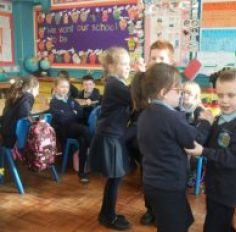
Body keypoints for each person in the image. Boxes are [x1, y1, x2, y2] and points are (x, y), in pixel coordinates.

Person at [135, 63, 209, 232]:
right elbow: (194, 140)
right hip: (168, 184)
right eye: (178, 90)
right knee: (175, 226)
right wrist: (206, 122)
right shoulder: (171, 117)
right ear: (162, 92)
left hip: (154, 182)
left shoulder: (146, 113)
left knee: (178, 221)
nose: (181, 94)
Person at [185, 69, 236, 232]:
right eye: (220, 95)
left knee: (214, 226)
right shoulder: (220, 119)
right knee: (221, 224)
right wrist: (206, 123)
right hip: (215, 185)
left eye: (230, 95)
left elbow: (234, 158)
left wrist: (203, 152)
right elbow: (208, 143)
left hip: (228, 189)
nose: (224, 101)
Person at [130, 40, 176, 225]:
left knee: (168, 177)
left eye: (161, 58)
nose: (157, 61)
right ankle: (150, 209)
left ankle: (165, 211)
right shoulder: (143, 80)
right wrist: (139, 76)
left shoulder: (175, 81)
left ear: (171, 61)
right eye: (153, 58)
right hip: (147, 137)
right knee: (147, 174)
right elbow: (135, 103)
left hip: (168, 139)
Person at [89, 47, 133, 230]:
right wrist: (145, 74)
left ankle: (106, 213)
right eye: (124, 64)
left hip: (113, 135)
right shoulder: (115, 85)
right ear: (111, 67)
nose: (129, 67)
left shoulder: (117, 84)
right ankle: (108, 217)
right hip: (110, 137)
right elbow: (136, 97)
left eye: (129, 64)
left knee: (115, 178)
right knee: (115, 178)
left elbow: (131, 93)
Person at [49, 77, 91, 183]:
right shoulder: (54, 102)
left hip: (74, 128)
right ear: (55, 88)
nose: (65, 89)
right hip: (63, 131)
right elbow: (62, 119)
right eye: (62, 86)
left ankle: (82, 173)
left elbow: (80, 113)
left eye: (67, 87)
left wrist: (70, 113)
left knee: (82, 140)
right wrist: (73, 113)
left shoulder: (71, 100)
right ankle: (94, 150)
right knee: (85, 130)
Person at [181, 81, 212, 187]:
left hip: (196, 144)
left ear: (196, 97)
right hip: (183, 141)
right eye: (183, 92)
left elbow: (200, 138)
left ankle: (193, 175)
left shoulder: (200, 112)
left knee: (193, 155)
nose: (185, 95)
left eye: (189, 93)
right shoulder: (177, 108)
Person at [0, 77, 39, 148]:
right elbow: (24, 115)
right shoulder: (28, 97)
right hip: (15, 140)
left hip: (6, 134)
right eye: (37, 89)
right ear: (31, 89)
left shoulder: (17, 96)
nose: (38, 92)